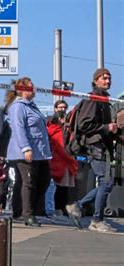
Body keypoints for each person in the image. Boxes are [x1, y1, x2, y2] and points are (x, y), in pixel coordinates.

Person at [66, 68, 122, 232]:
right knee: (106, 182)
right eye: (104, 78)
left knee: (107, 183)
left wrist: (114, 129)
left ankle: (78, 206)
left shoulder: (104, 99)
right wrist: (107, 127)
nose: (107, 81)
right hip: (95, 146)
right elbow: (85, 124)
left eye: (109, 78)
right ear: (96, 80)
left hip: (101, 145)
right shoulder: (93, 98)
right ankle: (96, 220)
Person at [6, 77, 52, 227]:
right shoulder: (18, 107)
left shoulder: (32, 106)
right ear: (23, 89)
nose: (34, 90)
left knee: (43, 180)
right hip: (26, 151)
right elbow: (18, 129)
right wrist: (26, 148)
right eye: (31, 87)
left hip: (40, 151)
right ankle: (28, 214)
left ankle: (20, 210)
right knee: (28, 182)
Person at [47, 110, 78, 217]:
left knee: (57, 188)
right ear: (61, 119)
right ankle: (59, 210)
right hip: (63, 164)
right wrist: (72, 160)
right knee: (62, 189)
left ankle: (57, 209)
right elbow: (62, 149)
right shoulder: (59, 132)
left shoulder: (50, 130)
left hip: (55, 162)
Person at [3, 89, 22, 219]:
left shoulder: (10, 109)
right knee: (19, 181)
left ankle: (17, 209)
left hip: (12, 152)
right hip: (16, 151)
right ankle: (17, 210)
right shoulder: (16, 108)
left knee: (17, 182)